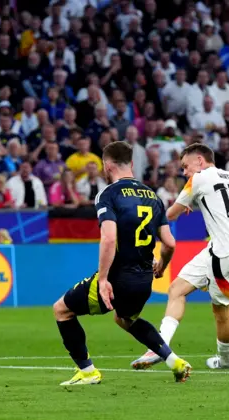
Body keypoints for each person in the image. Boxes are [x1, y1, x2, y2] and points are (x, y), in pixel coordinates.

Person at [131, 143, 229, 371]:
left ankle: (224, 361)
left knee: (221, 311)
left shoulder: (198, 179)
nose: (184, 172)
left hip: (223, 254)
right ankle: (160, 347)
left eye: (185, 167)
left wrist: (178, 208)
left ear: (200, 160)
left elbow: (170, 215)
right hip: (222, 250)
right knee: (176, 289)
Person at [52, 141, 192, 386]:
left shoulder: (108, 194)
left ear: (106, 166)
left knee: (62, 310)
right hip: (144, 279)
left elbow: (108, 237)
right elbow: (169, 243)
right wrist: (162, 265)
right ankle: (174, 361)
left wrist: (104, 279)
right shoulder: (153, 196)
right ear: (132, 164)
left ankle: (87, 372)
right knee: (124, 318)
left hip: (118, 278)